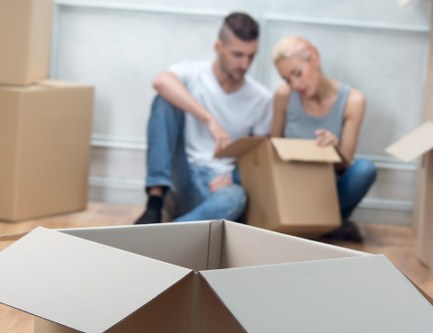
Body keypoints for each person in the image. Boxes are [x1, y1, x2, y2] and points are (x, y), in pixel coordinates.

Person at [135, 12, 273, 224]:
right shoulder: (194, 73)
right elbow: (161, 81)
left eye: (251, 56)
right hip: (180, 173)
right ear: (218, 48)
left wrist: (236, 178)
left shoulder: (261, 98)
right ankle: (154, 204)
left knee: (234, 198)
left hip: (215, 182)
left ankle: (166, 233)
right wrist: (210, 119)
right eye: (238, 55)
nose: (245, 64)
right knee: (163, 101)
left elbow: (257, 157)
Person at [271, 36, 376, 242]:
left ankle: (323, 224)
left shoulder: (353, 101)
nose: (295, 84)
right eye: (287, 79)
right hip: (291, 189)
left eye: (297, 73)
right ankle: (330, 228)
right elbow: (272, 150)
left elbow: (345, 164)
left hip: (327, 192)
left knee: (365, 169)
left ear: (314, 58)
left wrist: (333, 150)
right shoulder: (283, 96)